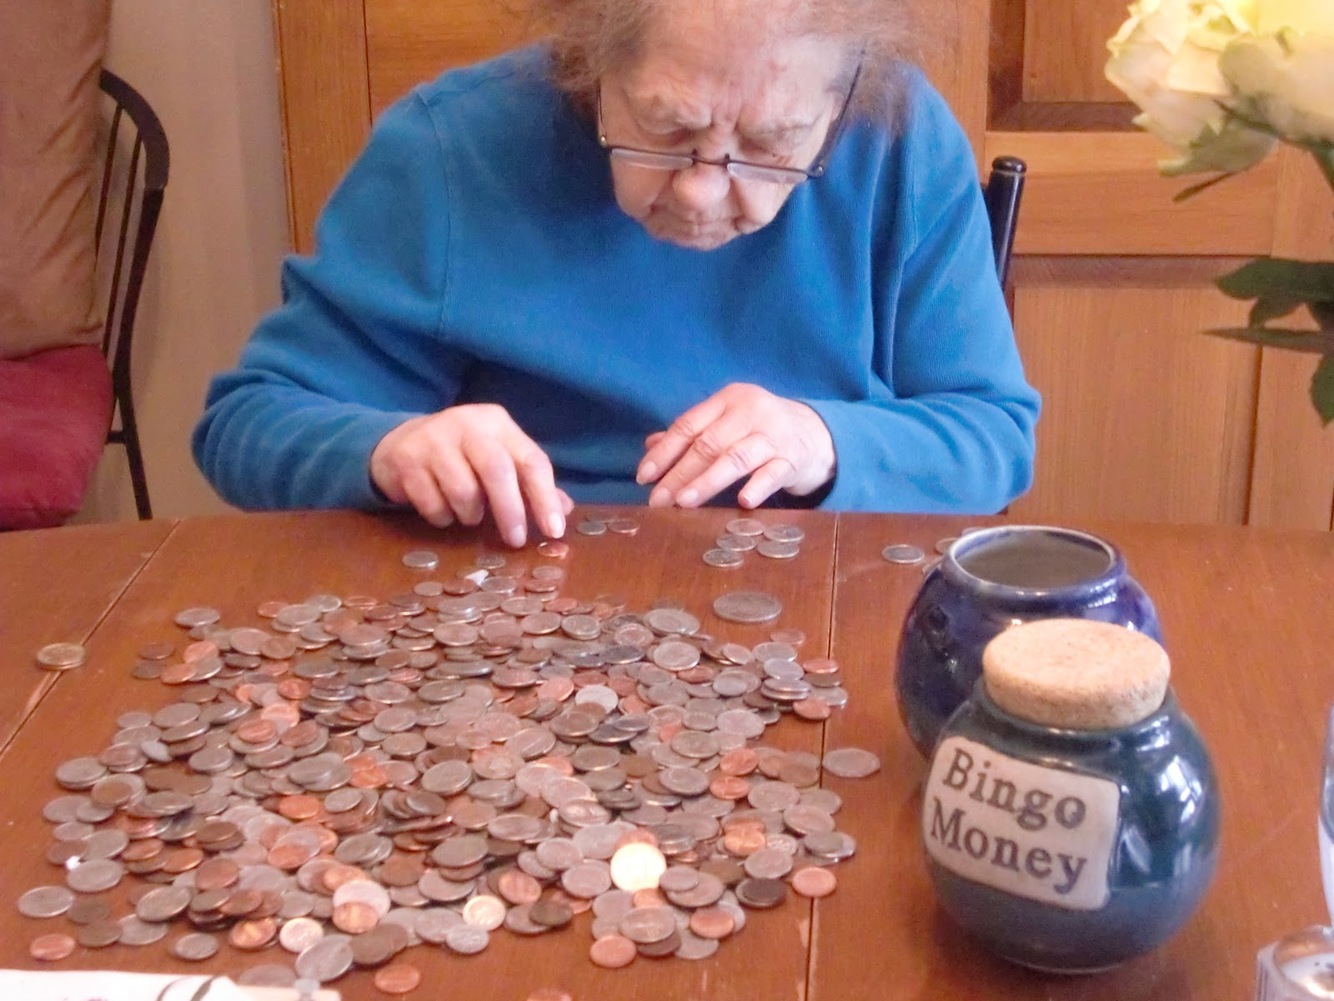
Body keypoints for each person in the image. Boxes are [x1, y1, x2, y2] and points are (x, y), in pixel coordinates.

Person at [194, 0, 1039, 548]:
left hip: (827, 595)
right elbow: (248, 425)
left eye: (771, 144)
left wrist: (824, 441)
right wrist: (387, 449)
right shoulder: (450, 151)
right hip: (523, 605)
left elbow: (993, 436)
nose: (705, 191)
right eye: (667, 129)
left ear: (845, 98)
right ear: (588, 63)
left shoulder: (902, 141)